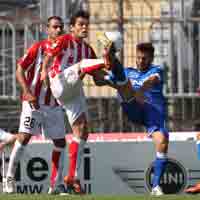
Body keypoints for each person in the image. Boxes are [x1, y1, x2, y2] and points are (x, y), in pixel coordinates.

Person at [40, 10, 108, 194]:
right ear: (72, 27)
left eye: (86, 24)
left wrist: (113, 79)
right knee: (85, 63)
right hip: (59, 82)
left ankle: (72, 177)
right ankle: (107, 58)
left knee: (82, 131)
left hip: (73, 89)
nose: (84, 27)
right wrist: (44, 70)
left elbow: (98, 79)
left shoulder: (88, 48)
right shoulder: (64, 40)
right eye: (80, 24)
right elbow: (48, 54)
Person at [95, 41, 169, 196]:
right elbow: (99, 80)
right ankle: (110, 56)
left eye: (145, 59)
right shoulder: (129, 72)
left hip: (152, 113)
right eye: (139, 58)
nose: (141, 61)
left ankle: (155, 187)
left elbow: (152, 80)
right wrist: (92, 69)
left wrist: (141, 90)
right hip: (133, 107)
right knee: (124, 84)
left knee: (162, 142)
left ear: (152, 58)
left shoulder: (158, 70)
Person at [4, 16, 68, 195]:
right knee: (24, 137)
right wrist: (26, 91)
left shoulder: (65, 51)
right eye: (54, 27)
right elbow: (19, 69)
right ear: (47, 29)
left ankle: (56, 184)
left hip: (53, 104)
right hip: (33, 102)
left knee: (60, 142)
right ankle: (8, 178)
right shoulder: (38, 47)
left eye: (60, 27)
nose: (58, 30)